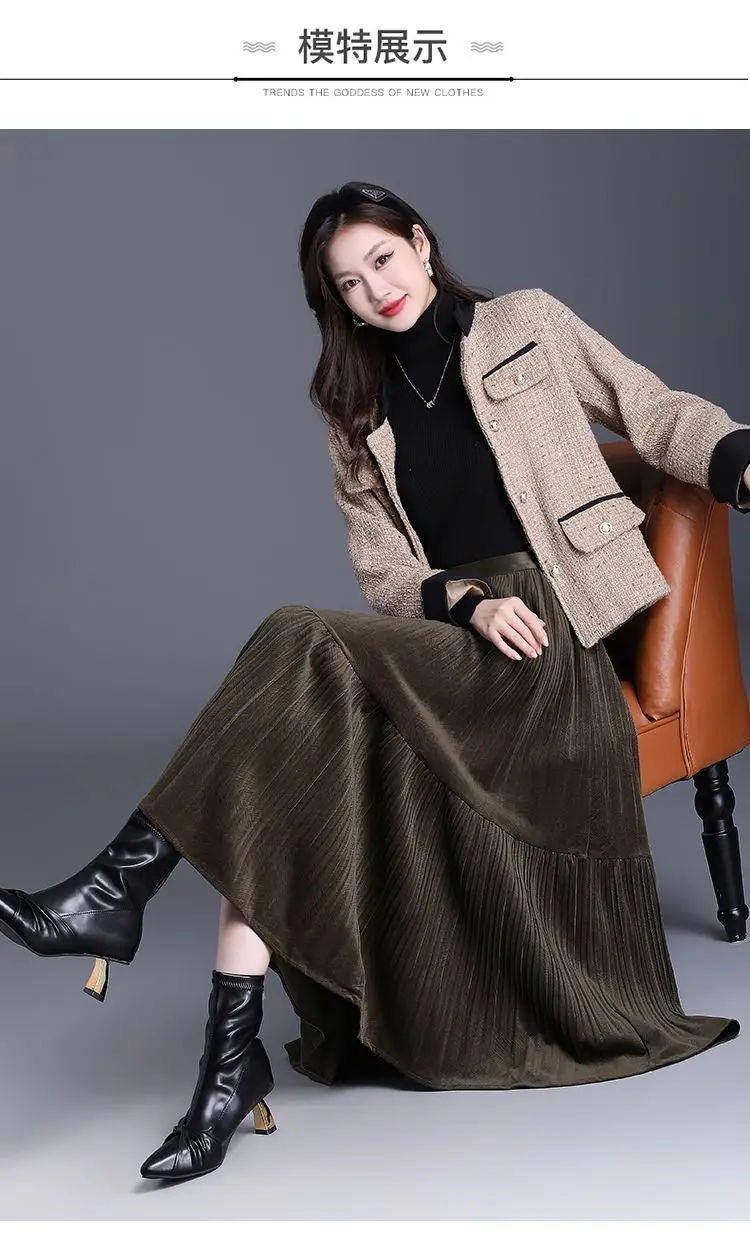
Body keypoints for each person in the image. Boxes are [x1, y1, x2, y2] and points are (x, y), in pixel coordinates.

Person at [1, 179, 747, 1184]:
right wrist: (464, 603)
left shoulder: (526, 323)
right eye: (347, 284)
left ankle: (119, 890)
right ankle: (225, 1065)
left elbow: (649, 409)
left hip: (549, 643)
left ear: (421, 244)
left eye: (382, 260)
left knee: (292, 639)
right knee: (289, 738)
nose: (374, 290)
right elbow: (387, 572)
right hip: (462, 635)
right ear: (335, 302)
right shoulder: (354, 407)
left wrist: (738, 456)